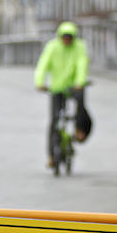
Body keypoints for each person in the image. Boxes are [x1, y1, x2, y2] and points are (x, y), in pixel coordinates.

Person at [35, 21, 91, 167]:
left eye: (70, 37)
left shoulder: (79, 47)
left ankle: (79, 129)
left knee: (81, 104)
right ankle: (52, 156)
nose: (67, 40)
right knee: (54, 121)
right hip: (56, 88)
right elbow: (43, 64)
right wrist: (40, 82)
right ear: (60, 37)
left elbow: (81, 64)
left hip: (74, 87)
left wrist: (80, 82)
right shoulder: (52, 47)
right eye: (64, 37)